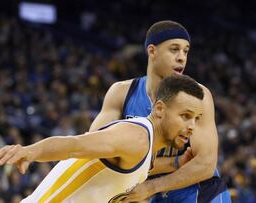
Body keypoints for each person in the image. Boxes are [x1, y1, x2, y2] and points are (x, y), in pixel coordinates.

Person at [0, 75, 205, 203]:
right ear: (159, 109)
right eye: (185, 116)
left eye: (196, 118)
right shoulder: (136, 137)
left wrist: (175, 163)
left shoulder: (147, 149)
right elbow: (74, 145)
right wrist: (32, 151)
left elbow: (120, 175)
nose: (192, 126)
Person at [89, 20, 231, 203]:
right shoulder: (121, 93)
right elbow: (96, 156)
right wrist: (171, 164)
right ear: (152, 51)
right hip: (150, 196)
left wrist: (152, 186)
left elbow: (205, 165)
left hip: (198, 194)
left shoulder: (198, 95)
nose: (182, 57)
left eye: (185, 51)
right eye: (174, 49)